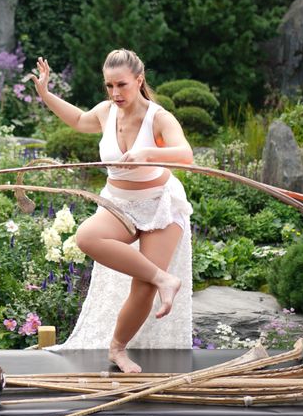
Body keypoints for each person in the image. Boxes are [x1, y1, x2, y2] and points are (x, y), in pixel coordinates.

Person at [30, 49, 194, 373]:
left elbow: (186, 154)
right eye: (109, 86)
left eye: (122, 85)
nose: (115, 93)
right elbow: (78, 120)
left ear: (139, 80)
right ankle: (164, 279)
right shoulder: (106, 112)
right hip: (119, 203)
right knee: (87, 237)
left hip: (160, 204)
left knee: (143, 285)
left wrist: (148, 152)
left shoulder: (158, 117)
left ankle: (117, 348)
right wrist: (46, 94)